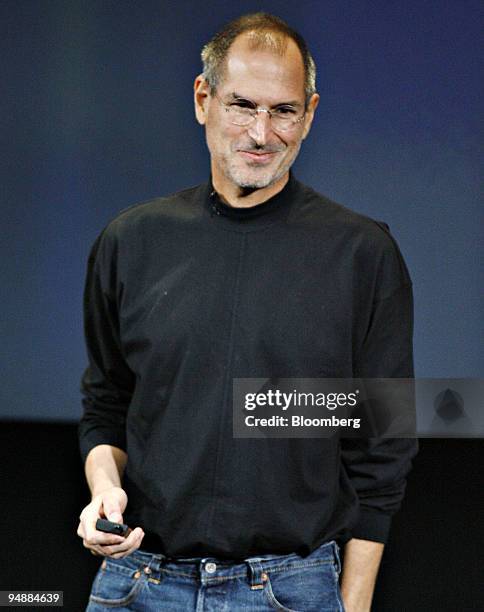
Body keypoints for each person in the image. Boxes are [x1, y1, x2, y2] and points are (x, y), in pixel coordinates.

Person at [77, 12, 418, 612]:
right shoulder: (130, 242)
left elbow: (382, 446)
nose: (261, 133)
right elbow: (107, 405)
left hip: (290, 588)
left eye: (283, 111)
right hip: (137, 580)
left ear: (309, 115)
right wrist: (104, 492)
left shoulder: (362, 254)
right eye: (241, 105)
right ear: (203, 99)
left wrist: (355, 601)